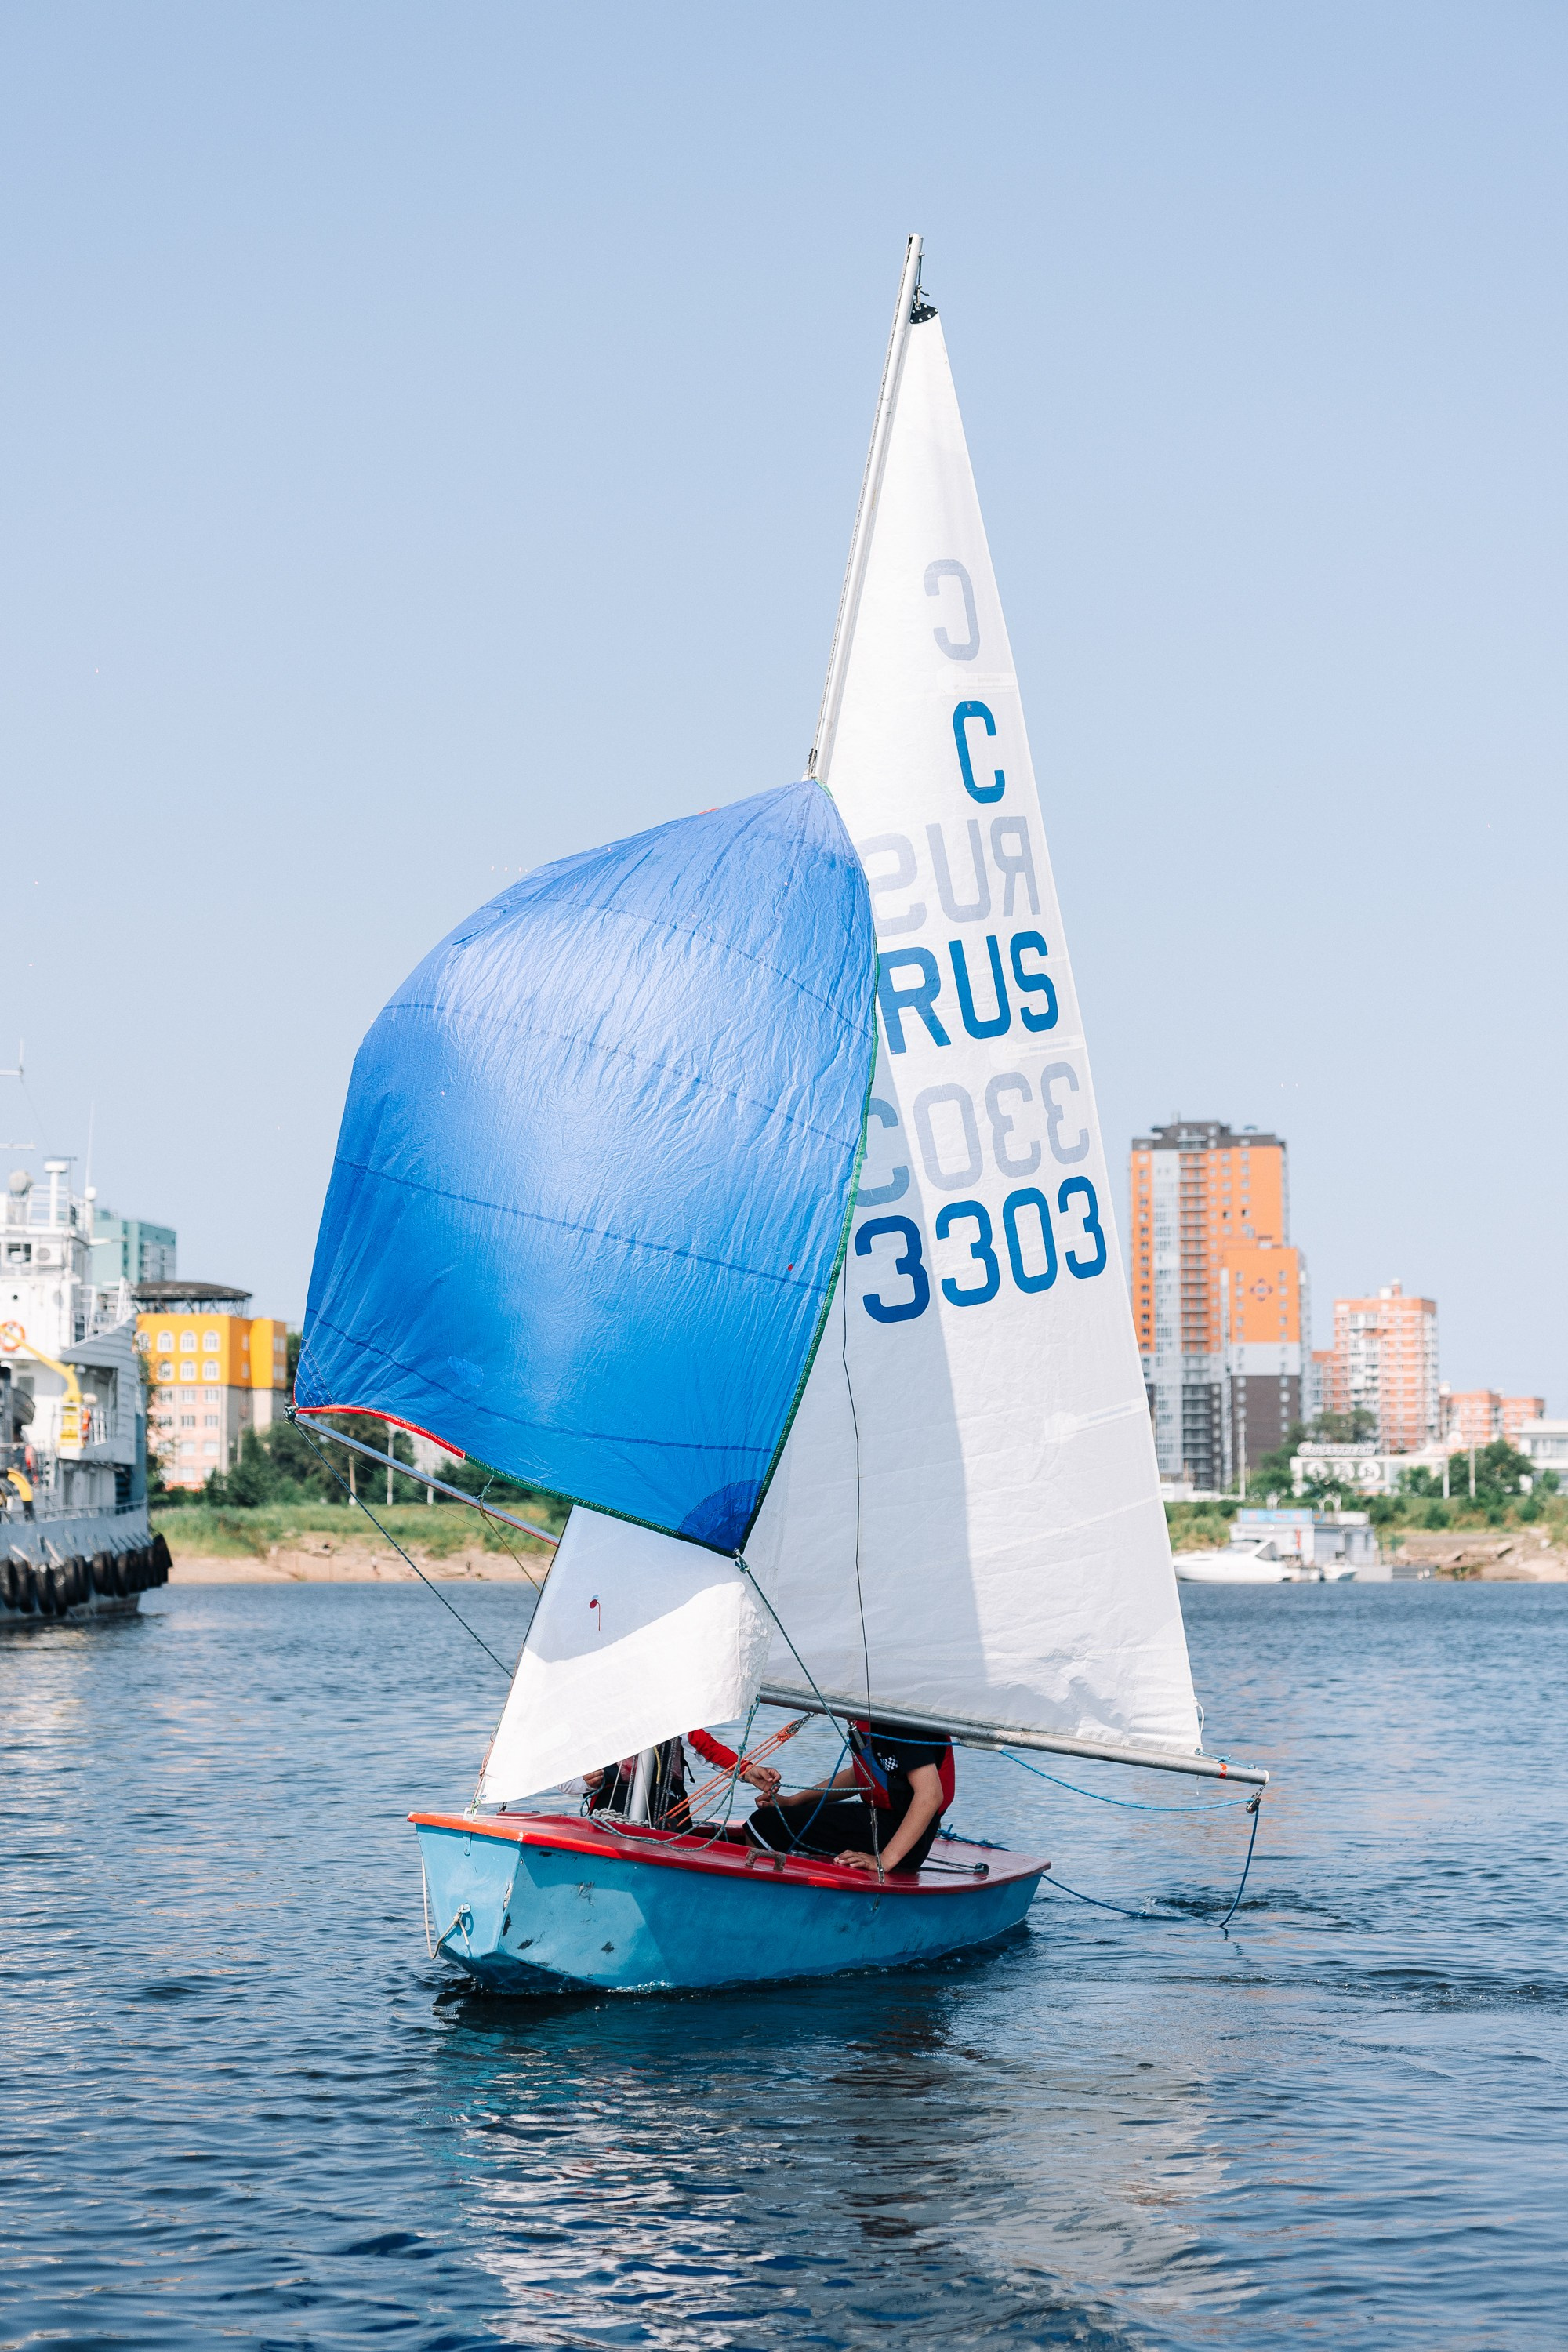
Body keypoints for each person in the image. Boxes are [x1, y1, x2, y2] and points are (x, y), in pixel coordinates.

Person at [744, 1719, 954, 1874]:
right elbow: (864, 1773)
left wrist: (884, 1860)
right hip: (882, 1821)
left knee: (764, 1824)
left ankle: (763, 1897)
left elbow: (931, 1795)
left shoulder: (901, 1723)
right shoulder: (868, 1717)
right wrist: (795, 1801)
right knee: (777, 1818)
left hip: (903, 1838)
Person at [583, 1730, 780, 1831]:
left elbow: (702, 1743)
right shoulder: (597, 1715)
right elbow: (563, 1781)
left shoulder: (672, 1708)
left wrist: (746, 1770)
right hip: (608, 1812)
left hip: (668, 1808)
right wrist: (585, 1780)